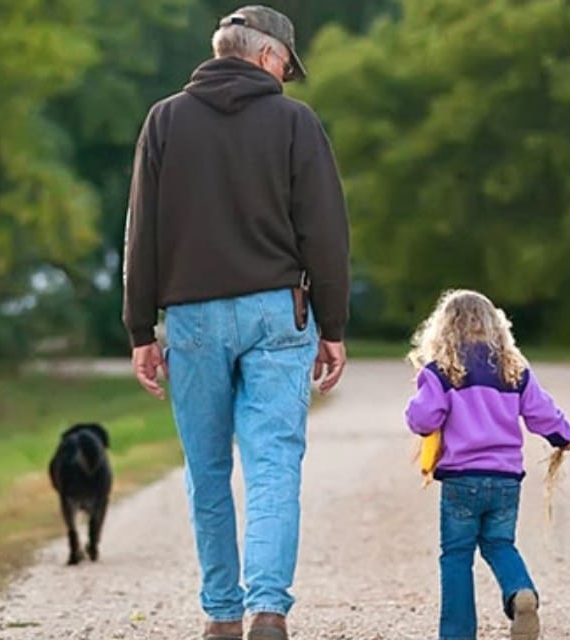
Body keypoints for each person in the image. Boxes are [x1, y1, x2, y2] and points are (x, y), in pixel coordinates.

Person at [121, 5, 349, 640]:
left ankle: (222, 614)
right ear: (267, 55)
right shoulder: (295, 123)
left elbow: (142, 231)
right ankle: (267, 610)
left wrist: (140, 330)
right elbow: (325, 232)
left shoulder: (165, 120)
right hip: (277, 312)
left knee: (207, 469)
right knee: (273, 464)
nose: (285, 78)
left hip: (191, 317)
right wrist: (332, 326)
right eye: (286, 67)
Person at [405, 290, 570, 640]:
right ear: (495, 326)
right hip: (505, 480)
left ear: (444, 328)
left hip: (462, 480)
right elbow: (542, 413)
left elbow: (423, 420)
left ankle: (457, 634)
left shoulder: (441, 372)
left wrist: (419, 411)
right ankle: (520, 592)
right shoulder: (513, 370)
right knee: (500, 544)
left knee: (456, 555)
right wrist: (565, 436)